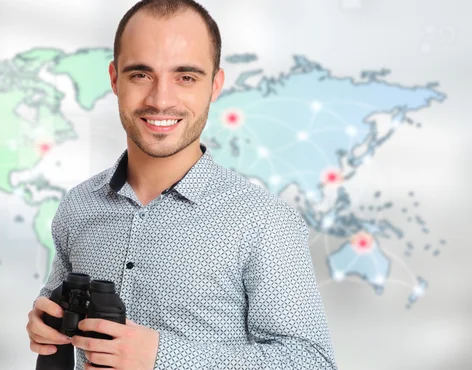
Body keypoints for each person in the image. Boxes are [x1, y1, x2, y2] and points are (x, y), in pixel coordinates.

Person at [26, 0, 338, 369]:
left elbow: (312, 362)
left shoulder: (264, 221)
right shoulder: (78, 206)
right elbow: (57, 318)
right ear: (114, 79)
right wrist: (44, 325)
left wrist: (162, 356)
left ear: (215, 85)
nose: (161, 99)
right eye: (140, 75)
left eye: (185, 77)